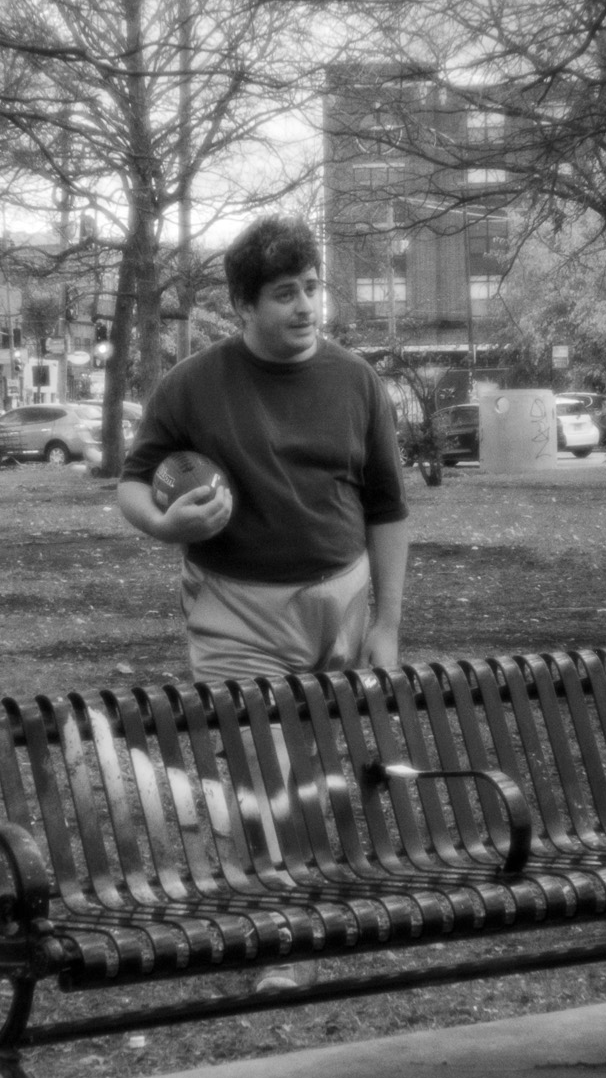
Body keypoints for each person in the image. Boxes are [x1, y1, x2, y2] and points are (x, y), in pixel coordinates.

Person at [118, 218, 409, 990]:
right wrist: (162, 523)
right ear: (243, 305)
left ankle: (320, 898)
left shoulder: (356, 382)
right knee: (264, 772)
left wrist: (385, 625)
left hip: (339, 600)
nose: (306, 306)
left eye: (313, 288)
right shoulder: (192, 385)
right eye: (285, 294)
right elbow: (130, 480)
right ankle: (285, 936)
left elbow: (387, 508)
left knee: (312, 767)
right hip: (235, 610)